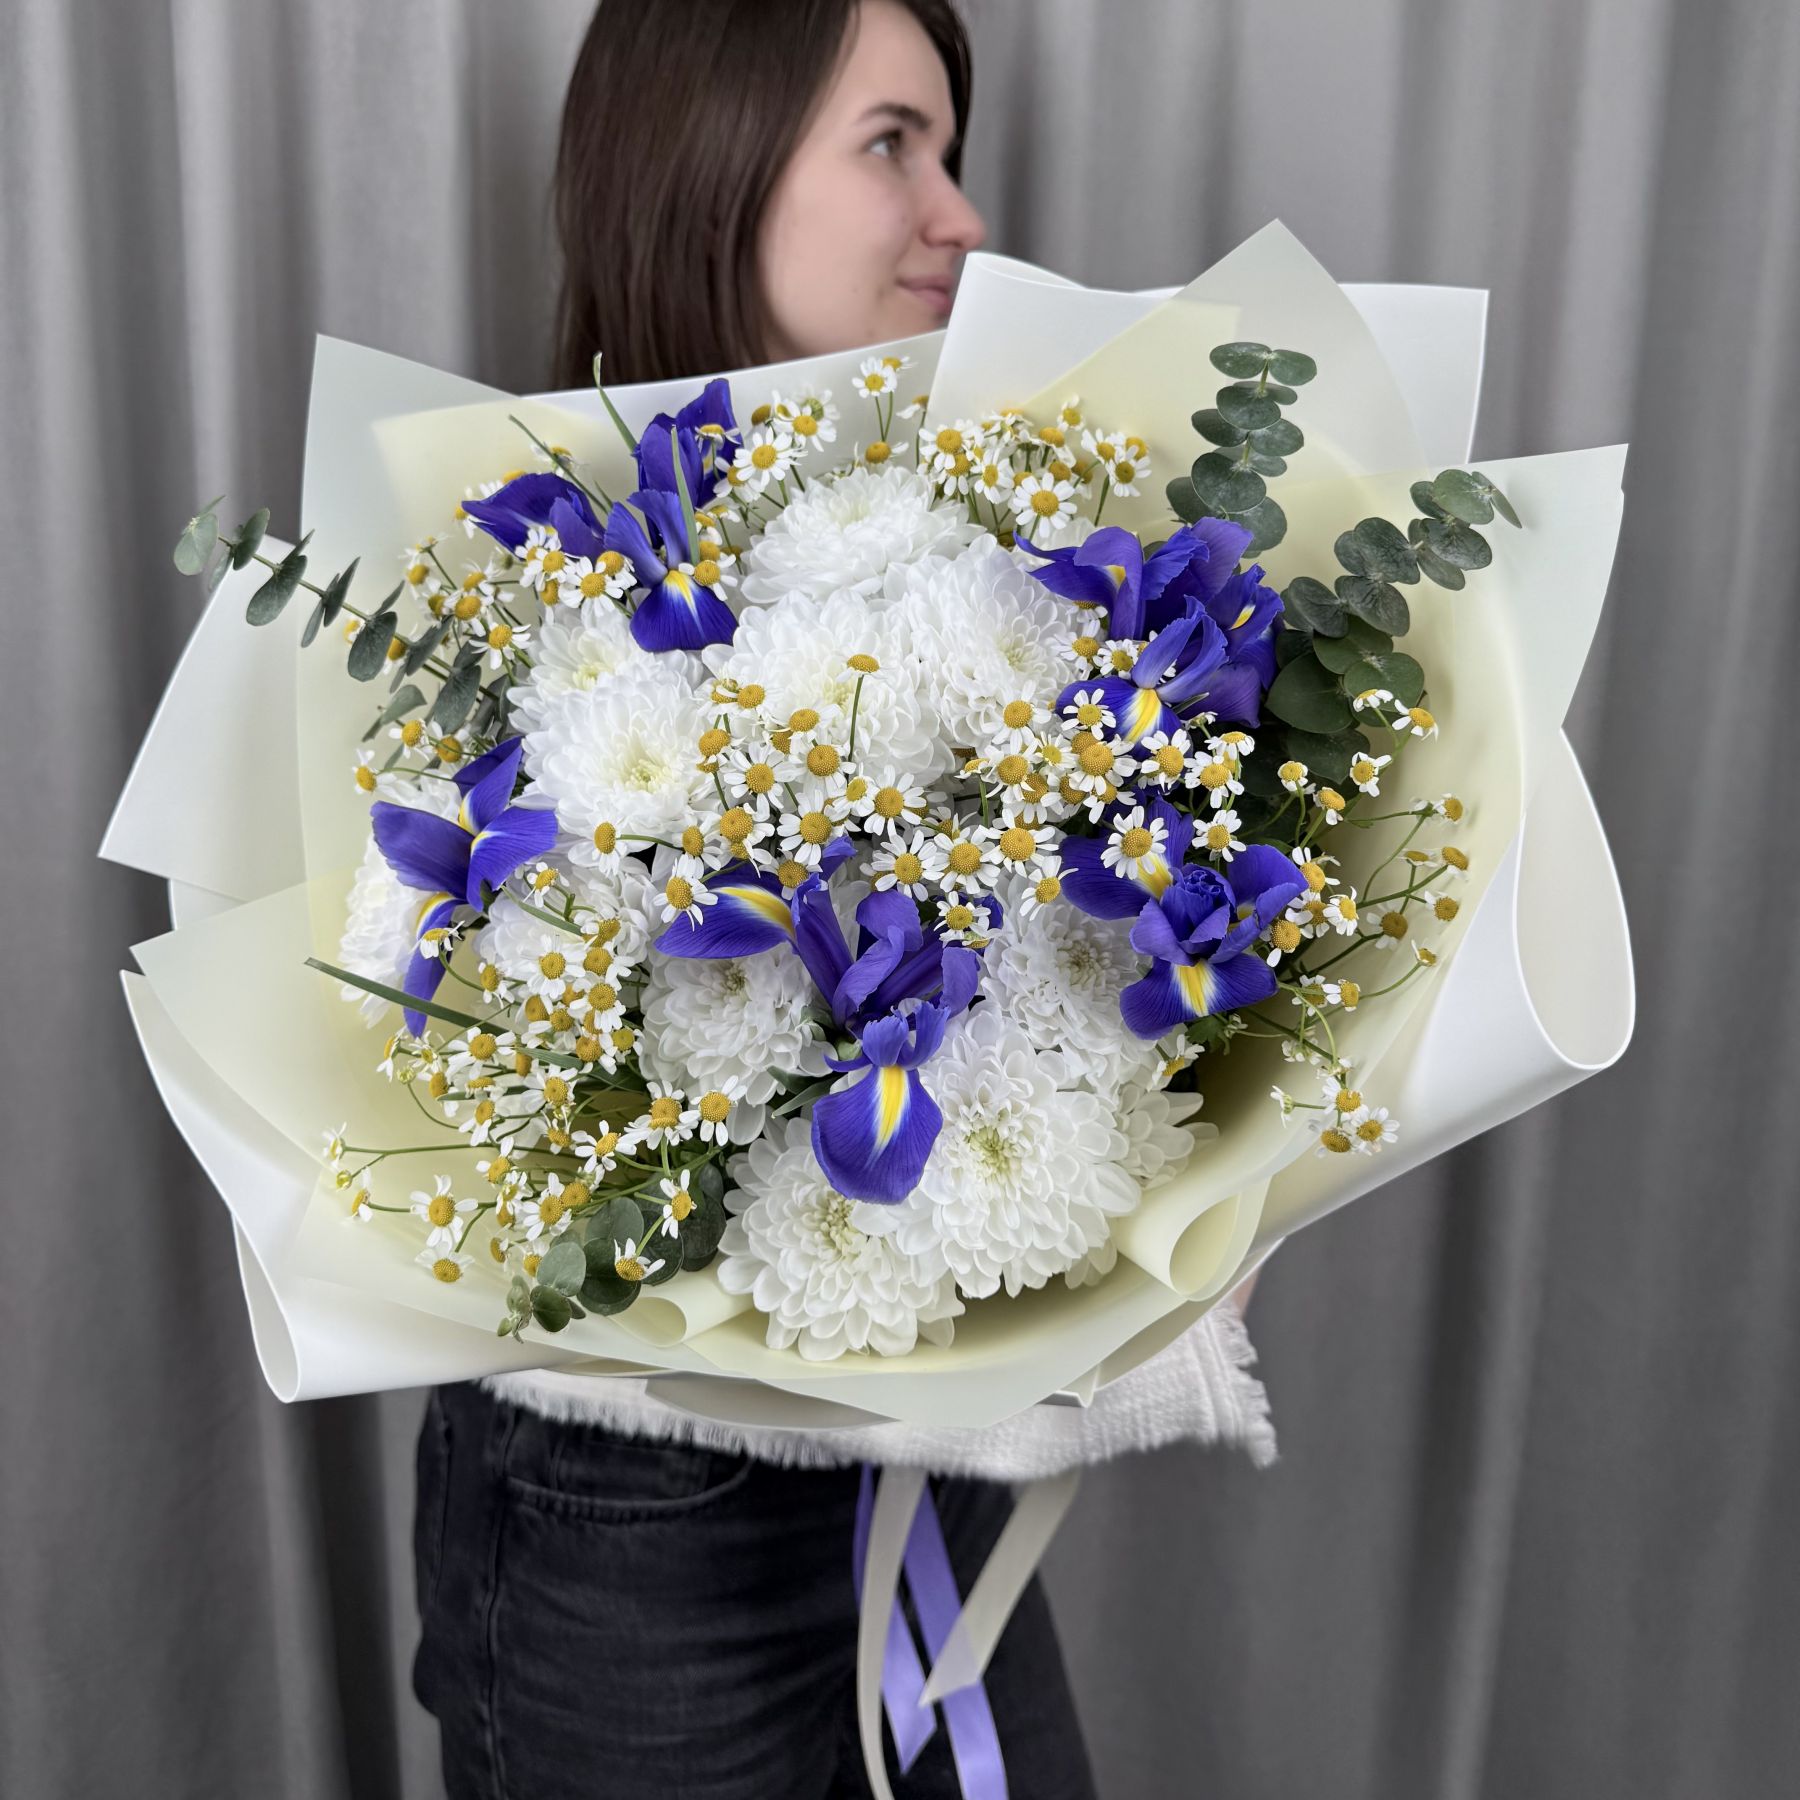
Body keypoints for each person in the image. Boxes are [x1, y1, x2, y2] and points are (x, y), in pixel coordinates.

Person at [411, 4, 1266, 1795]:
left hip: (923, 1479)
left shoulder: (1001, 546)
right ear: (710, 164)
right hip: (637, 1517)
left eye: (950, 150)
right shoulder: (529, 596)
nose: (961, 215)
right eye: (892, 144)